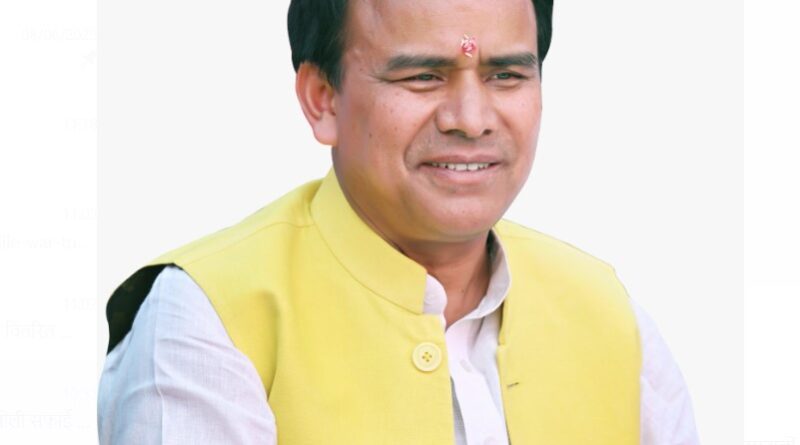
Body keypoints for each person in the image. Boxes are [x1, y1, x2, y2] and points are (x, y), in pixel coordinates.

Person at [98, 0, 700, 443]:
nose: (471, 119)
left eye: (506, 75)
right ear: (322, 99)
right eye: (423, 76)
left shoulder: (607, 312)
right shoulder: (209, 317)